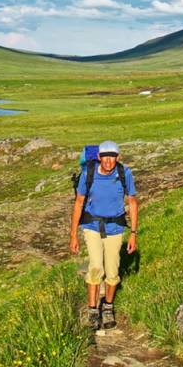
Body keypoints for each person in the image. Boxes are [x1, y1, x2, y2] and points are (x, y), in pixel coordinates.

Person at [69, 140, 138, 330]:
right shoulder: (88, 174)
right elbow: (79, 202)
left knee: (113, 270)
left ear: (118, 157)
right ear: (99, 157)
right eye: (105, 157)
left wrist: (133, 233)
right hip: (91, 225)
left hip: (115, 228)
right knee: (96, 267)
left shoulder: (125, 174)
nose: (108, 161)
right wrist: (73, 235)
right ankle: (93, 310)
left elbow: (132, 202)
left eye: (112, 157)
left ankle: (107, 307)